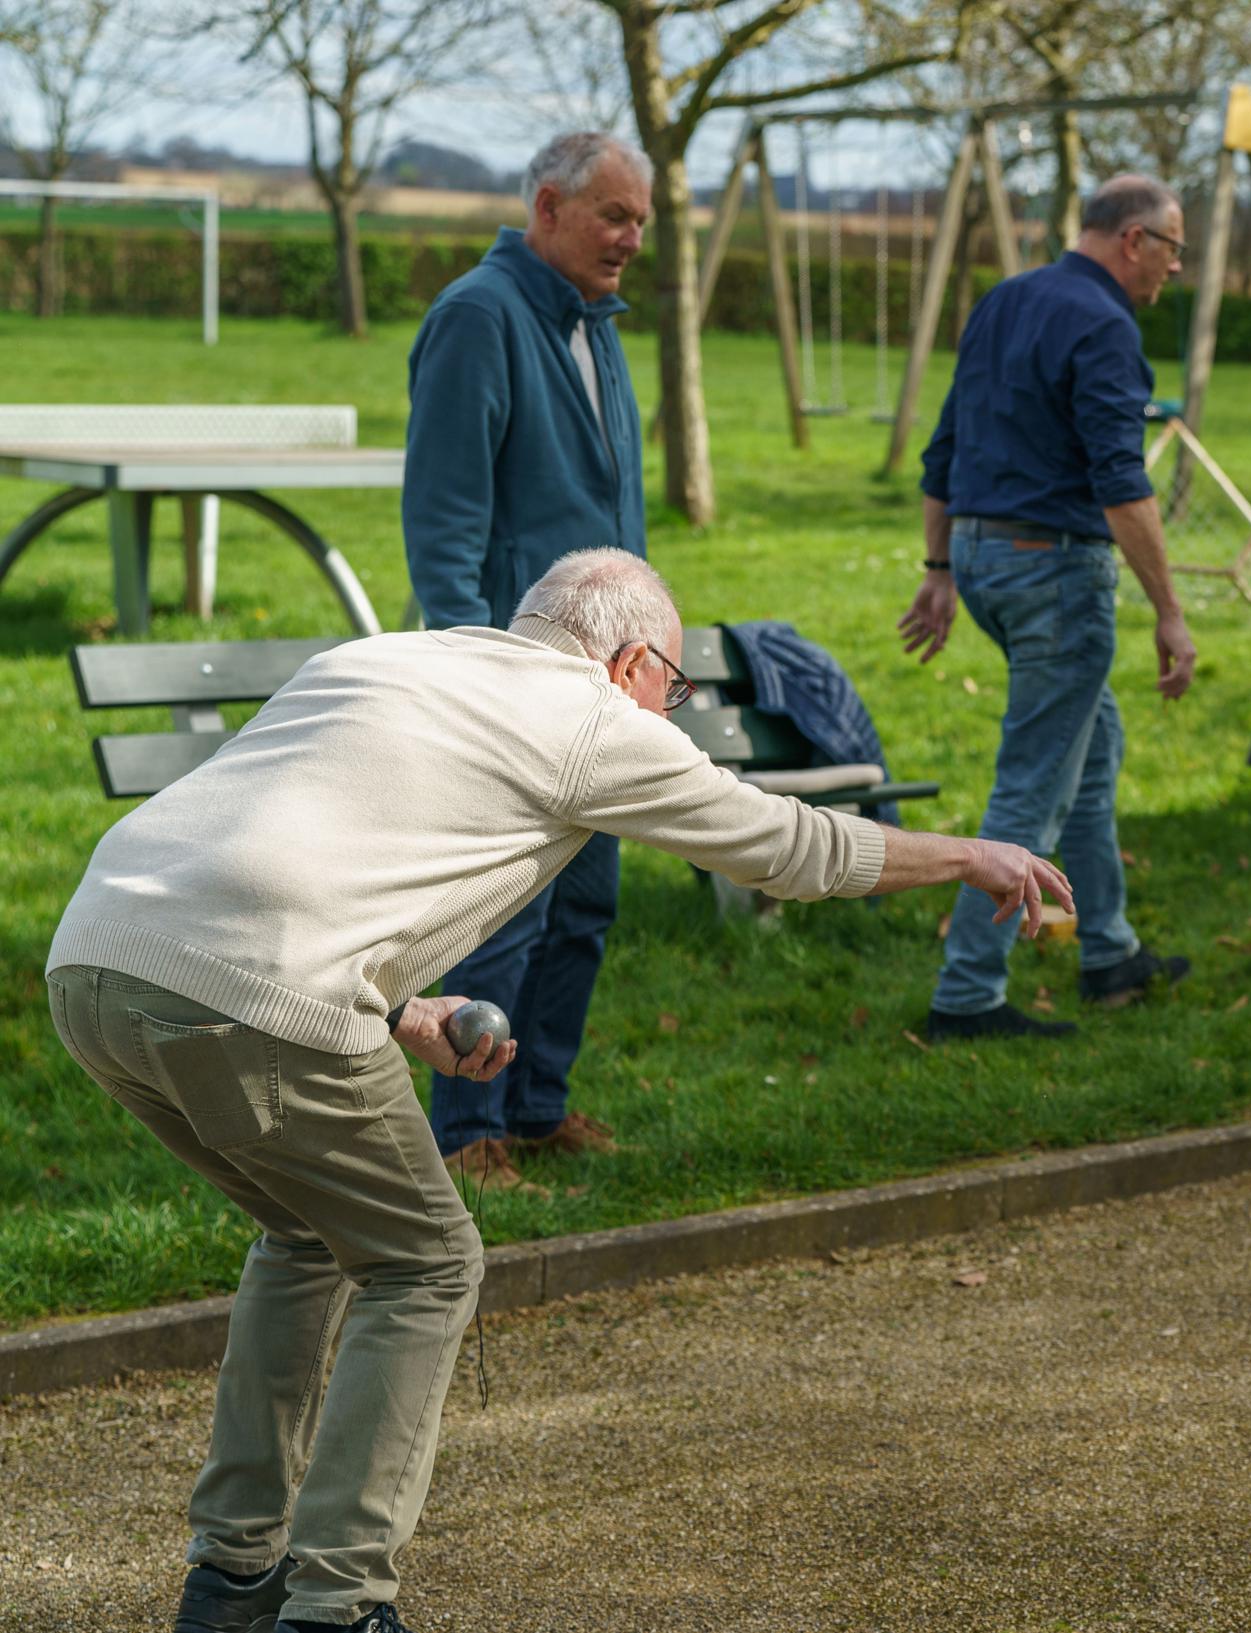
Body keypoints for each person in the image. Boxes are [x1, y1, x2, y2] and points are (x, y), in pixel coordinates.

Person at [46, 550, 1069, 1633]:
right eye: (670, 690)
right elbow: (786, 848)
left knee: (307, 1234)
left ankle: (233, 1580)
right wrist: (965, 854)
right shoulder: (594, 722)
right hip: (251, 992)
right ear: (632, 662)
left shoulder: (385, 659)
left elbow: (282, 852)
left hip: (99, 956)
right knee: (425, 1263)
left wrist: (399, 1013)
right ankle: (338, 1603)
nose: (667, 716)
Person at [401, 131, 652, 1189]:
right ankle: (469, 1131)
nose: (631, 240)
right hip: (511, 682)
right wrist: (477, 675)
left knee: (586, 901)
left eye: (641, 221)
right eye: (613, 218)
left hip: (601, 682)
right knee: (507, 911)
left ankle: (540, 1106)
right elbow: (444, 524)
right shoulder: (479, 317)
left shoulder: (595, 325)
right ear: (548, 207)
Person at [897, 175, 1199, 1042]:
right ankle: (966, 997)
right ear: (1134, 239)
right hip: (1055, 574)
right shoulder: (1105, 322)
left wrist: (941, 565)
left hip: (987, 559)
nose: (1173, 269)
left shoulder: (1007, 298)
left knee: (1093, 747)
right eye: (1173, 249)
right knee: (1031, 785)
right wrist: (1168, 610)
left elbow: (944, 447)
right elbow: (1120, 481)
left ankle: (1108, 952)